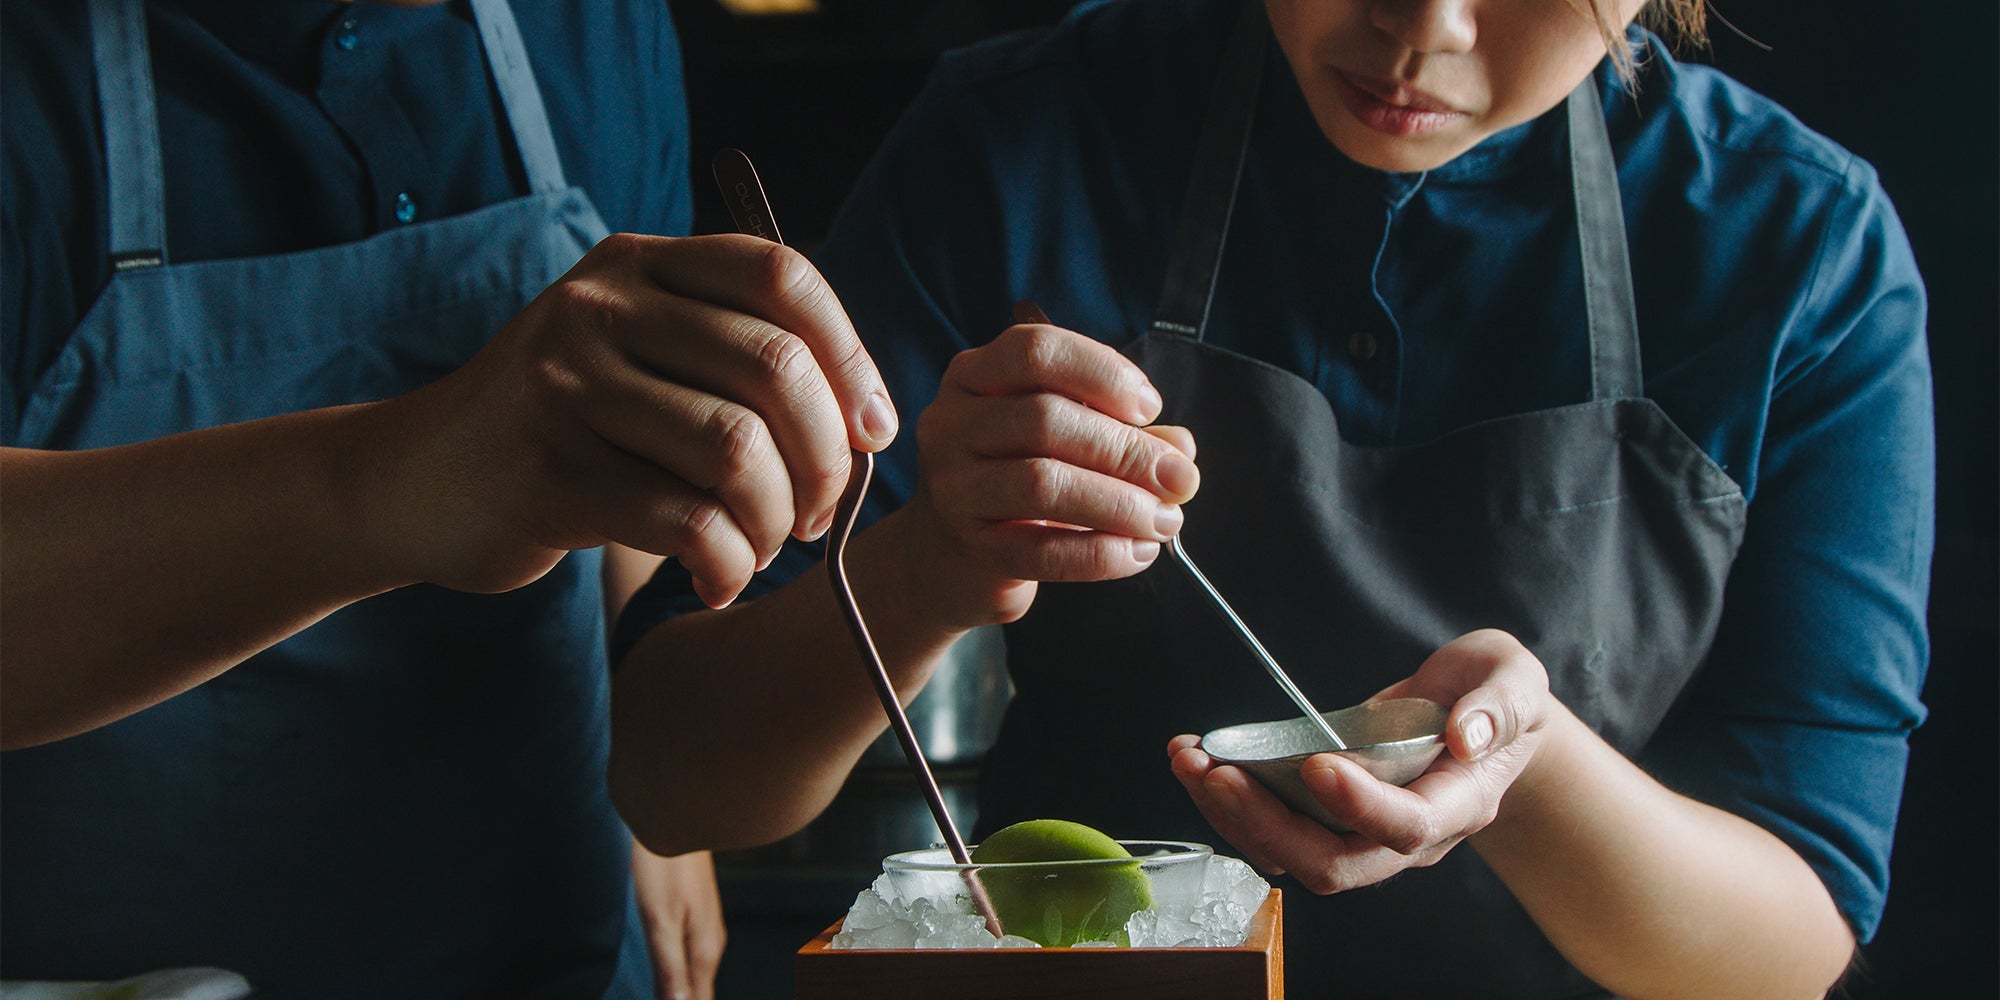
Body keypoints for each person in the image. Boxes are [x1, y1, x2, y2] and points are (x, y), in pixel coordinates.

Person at [605, 0, 1933, 996]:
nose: (1422, 29)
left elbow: (1788, 945)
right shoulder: (1033, 135)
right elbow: (670, 775)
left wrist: (1512, 777)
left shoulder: (1799, 249)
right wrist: (937, 563)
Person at [0, 0, 896, 996]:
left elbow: (629, 498)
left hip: (557, 950)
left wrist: (652, 800)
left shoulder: (598, 27)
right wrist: (391, 473)